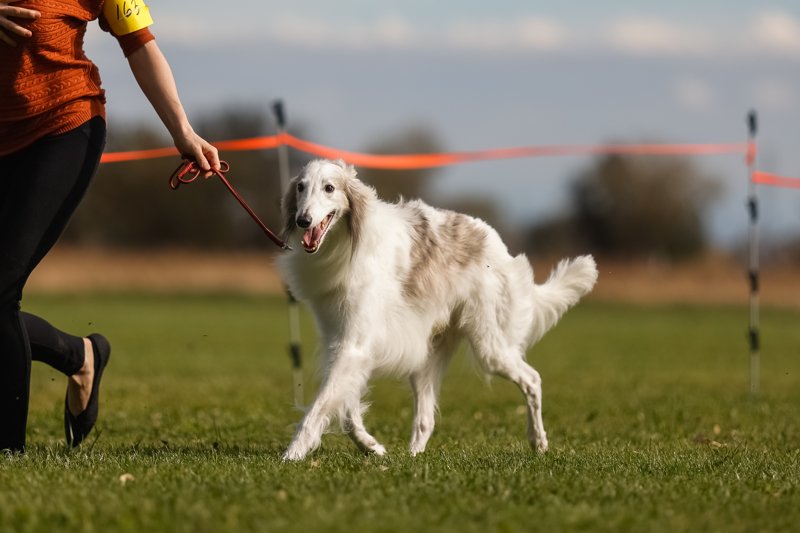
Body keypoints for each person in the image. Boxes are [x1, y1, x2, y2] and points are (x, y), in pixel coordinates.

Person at [0, 0, 220, 452]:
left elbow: (139, 44)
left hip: (61, 128)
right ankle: (80, 355)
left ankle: (8, 451)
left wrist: (182, 131)